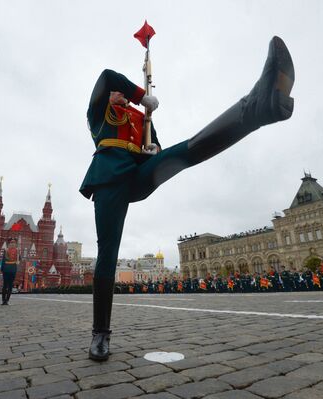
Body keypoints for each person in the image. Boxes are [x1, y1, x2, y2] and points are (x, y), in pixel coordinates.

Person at [80, 37, 294, 360]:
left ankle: (257, 108)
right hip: (108, 178)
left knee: (188, 150)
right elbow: (109, 75)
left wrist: (155, 151)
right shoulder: (99, 112)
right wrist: (141, 96)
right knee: (108, 252)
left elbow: (160, 151)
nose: (121, 95)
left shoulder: (142, 121)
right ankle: (101, 332)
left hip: (136, 175)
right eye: (119, 94)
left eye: (126, 95)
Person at [0, 239, 18, 305]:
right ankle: (3, 300)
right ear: (9, 244)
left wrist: (19, 256)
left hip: (13, 270)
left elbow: (20, 259)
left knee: (10, 285)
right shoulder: (6, 250)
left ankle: (7, 300)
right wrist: (2, 269)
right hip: (6, 269)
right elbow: (3, 260)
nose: (12, 244)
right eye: (11, 243)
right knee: (5, 285)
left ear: (16, 244)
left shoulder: (17, 251)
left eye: (14, 243)